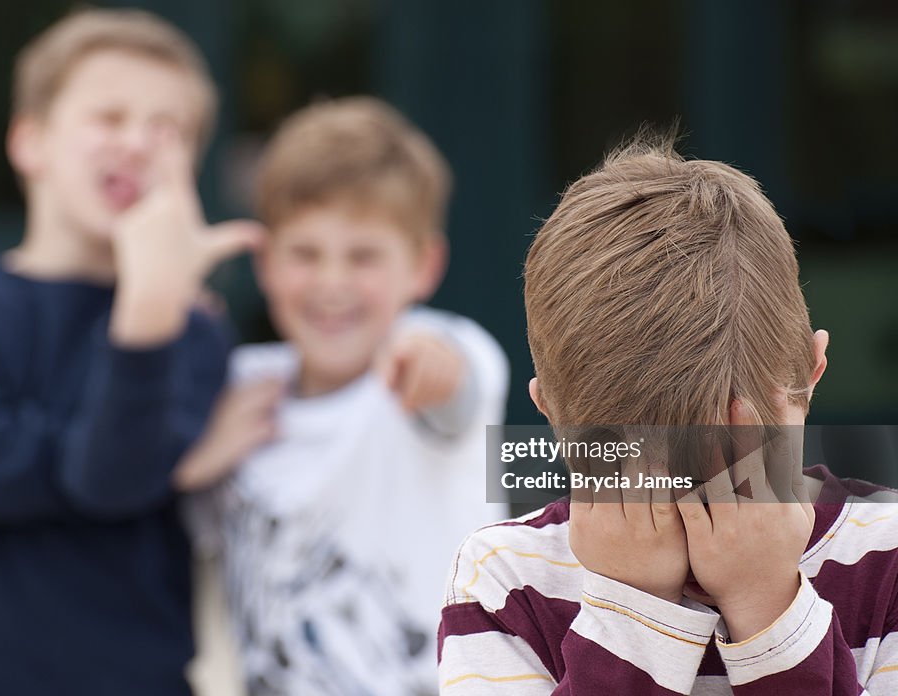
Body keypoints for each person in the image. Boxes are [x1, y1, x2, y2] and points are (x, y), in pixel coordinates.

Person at [0, 9, 260, 695]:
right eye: (109, 118)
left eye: (166, 130)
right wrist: (165, 468)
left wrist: (149, 308)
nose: (138, 143)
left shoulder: (194, 332)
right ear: (30, 142)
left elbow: (108, 478)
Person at [436, 135, 898, 694]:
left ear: (812, 377)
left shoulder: (886, 562)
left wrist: (768, 604)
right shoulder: (505, 581)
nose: (694, 518)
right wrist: (633, 612)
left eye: (729, 466)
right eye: (640, 481)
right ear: (554, 421)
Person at [178, 97, 510, 695]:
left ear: (423, 265)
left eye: (364, 256)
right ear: (266, 263)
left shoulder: (443, 347)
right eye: (305, 254)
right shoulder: (237, 387)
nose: (332, 283)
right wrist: (197, 456)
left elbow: (458, 388)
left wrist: (434, 367)